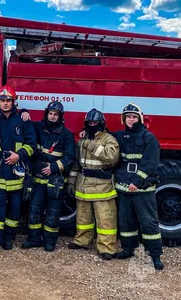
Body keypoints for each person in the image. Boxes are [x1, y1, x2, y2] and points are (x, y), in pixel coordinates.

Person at [0, 85, 37, 257]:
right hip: (0, 171)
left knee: (15, 209)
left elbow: (32, 145)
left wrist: (19, 155)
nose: (5, 103)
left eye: (8, 100)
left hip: (17, 170)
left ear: (14, 102)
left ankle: (8, 238)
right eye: (2, 100)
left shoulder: (23, 120)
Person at [113, 103, 164, 270]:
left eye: (134, 117)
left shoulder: (148, 137)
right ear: (124, 119)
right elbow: (102, 137)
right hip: (124, 187)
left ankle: (154, 255)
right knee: (126, 221)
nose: (131, 119)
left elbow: (151, 163)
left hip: (142, 188)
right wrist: (87, 133)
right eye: (128, 117)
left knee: (148, 222)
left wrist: (137, 181)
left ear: (140, 118)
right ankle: (128, 249)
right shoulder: (120, 136)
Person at [22, 101, 76, 252]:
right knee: (34, 210)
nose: (52, 117)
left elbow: (70, 157)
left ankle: (50, 241)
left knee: (53, 214)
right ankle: (33, 239)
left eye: (55, 114)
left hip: (55, 181)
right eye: (50, 114)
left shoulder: (66, 135)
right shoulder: (38, 127)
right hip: (38, 179)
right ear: (46, 114)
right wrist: (23, 112)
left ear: (60, 117)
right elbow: (24, 124)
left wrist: (53, 167)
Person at [67, 109, 119, 260]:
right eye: (89, 123)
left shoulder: (109, 139)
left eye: (95, 123)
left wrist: (89, 144)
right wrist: (71, 182)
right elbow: (77, 164)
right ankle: (82, 241)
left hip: (102, 187)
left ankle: (107, 248)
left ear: (101, 123)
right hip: (83, 185)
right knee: (83, 218)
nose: (92, 125)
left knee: (105, 219)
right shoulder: (82, 141)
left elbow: (111, 157)